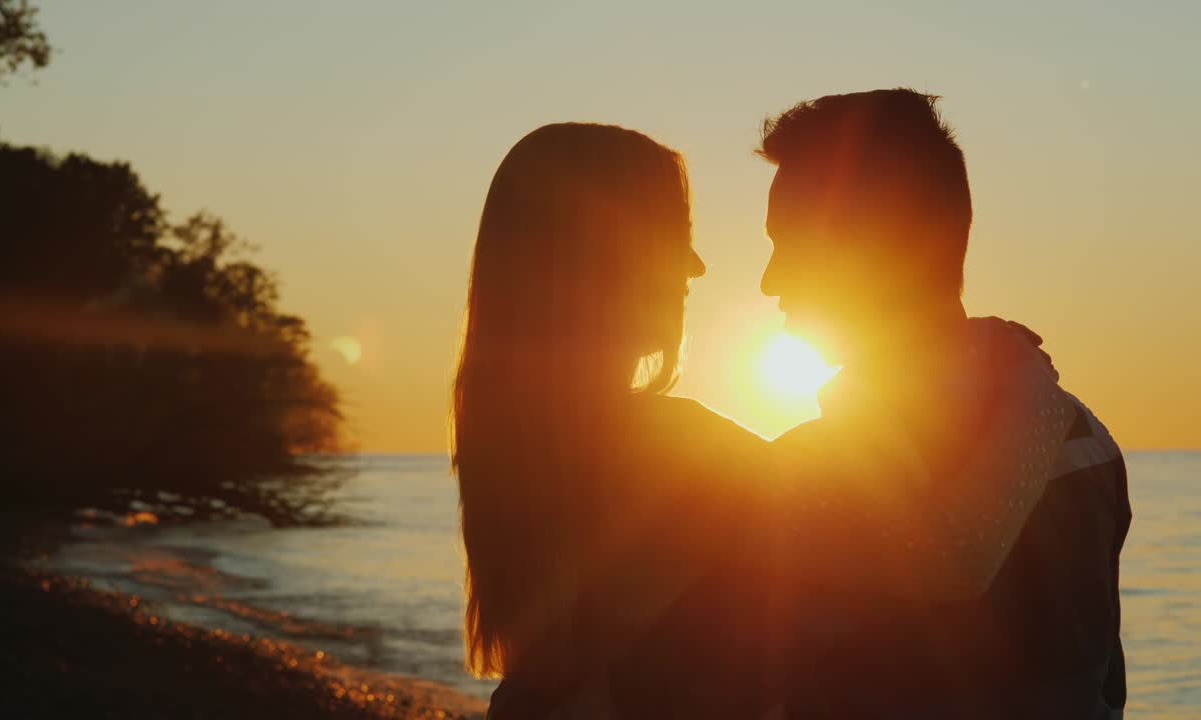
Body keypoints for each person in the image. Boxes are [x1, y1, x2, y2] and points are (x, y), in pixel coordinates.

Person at [451, 122, 1075, 720]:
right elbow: (951, 561)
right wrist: (1031, 390)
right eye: (673, 232)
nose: (695, 267)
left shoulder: (527, 445)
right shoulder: (657, 448)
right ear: (598, 258)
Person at [604, 90, 1131, 719]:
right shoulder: (1085, 440)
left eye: (789, 242)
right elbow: (1102, 687)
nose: (770, 280)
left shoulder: (818, 470)